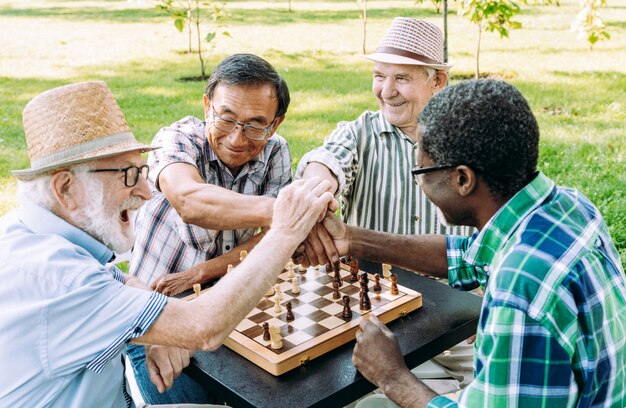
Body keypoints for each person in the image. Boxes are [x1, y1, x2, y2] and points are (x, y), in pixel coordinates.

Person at [0, 81, 336, 407]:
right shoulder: (61, 280)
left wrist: (155, 325)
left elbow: (120, 281)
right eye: (128, 175)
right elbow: (203, 329)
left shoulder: (27, 234)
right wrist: (287, 227)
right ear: (66, 188)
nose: (146, 192)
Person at [302, 79, 626, 407]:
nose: (421, 182)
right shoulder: (569, 206)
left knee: (371, 405)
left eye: (422, 171)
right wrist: (350, 239)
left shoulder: (520, 287)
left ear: (462, 180)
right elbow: (466, 256)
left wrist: (391, 375)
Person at [296, 17, 473, 390]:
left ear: (437, 81)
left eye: (402, 79)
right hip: (377, 316)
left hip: (459, 324)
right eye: (379, 76)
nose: (386, 91)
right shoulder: (358, 132)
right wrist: (317, 190)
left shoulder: (468, 140)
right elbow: (327, 160)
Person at [127, 54, 292, 403]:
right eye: (226, 118)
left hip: (233, 308)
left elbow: (270, 237)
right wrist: (288, 212)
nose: (237, 138)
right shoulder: (177, 139)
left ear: (275, 124)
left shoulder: (277, 153)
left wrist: (202, 272)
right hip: (156, 316)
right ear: (207, 106)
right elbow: (190, 201)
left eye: (255, 124)